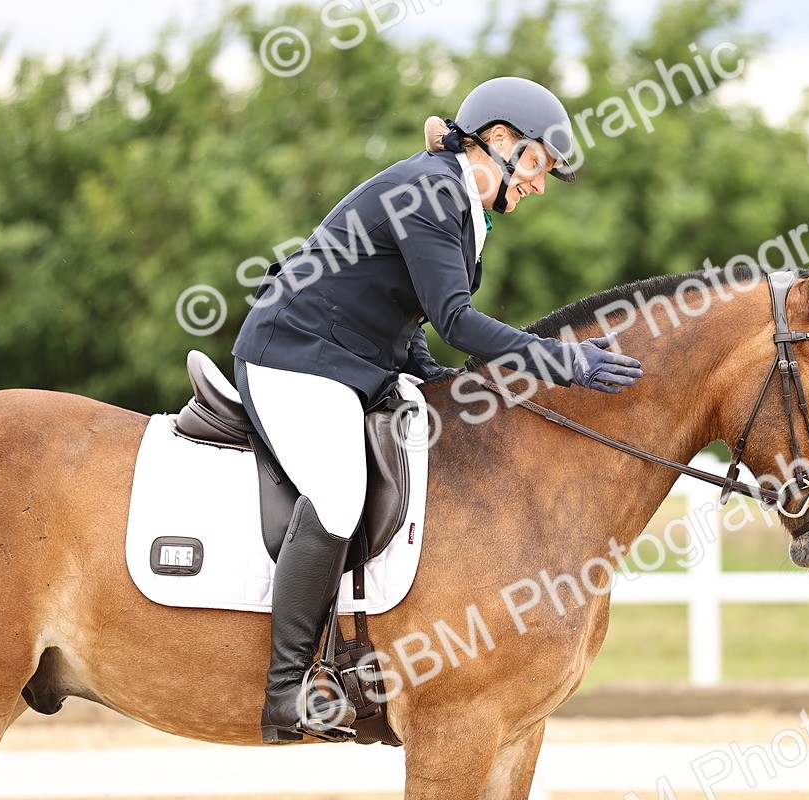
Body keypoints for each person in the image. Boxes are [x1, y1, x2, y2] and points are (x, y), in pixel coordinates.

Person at [231, 76, 644, 743]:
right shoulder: (430, 193)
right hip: (294, 359)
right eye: (538, 165)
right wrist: (560, 360)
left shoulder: (457, 202)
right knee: (338, 495)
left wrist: (430, 373)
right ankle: (286, 691)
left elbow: (403, 309)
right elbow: (454, 316)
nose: (539, 184)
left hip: (349, 363)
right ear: (500, 141)